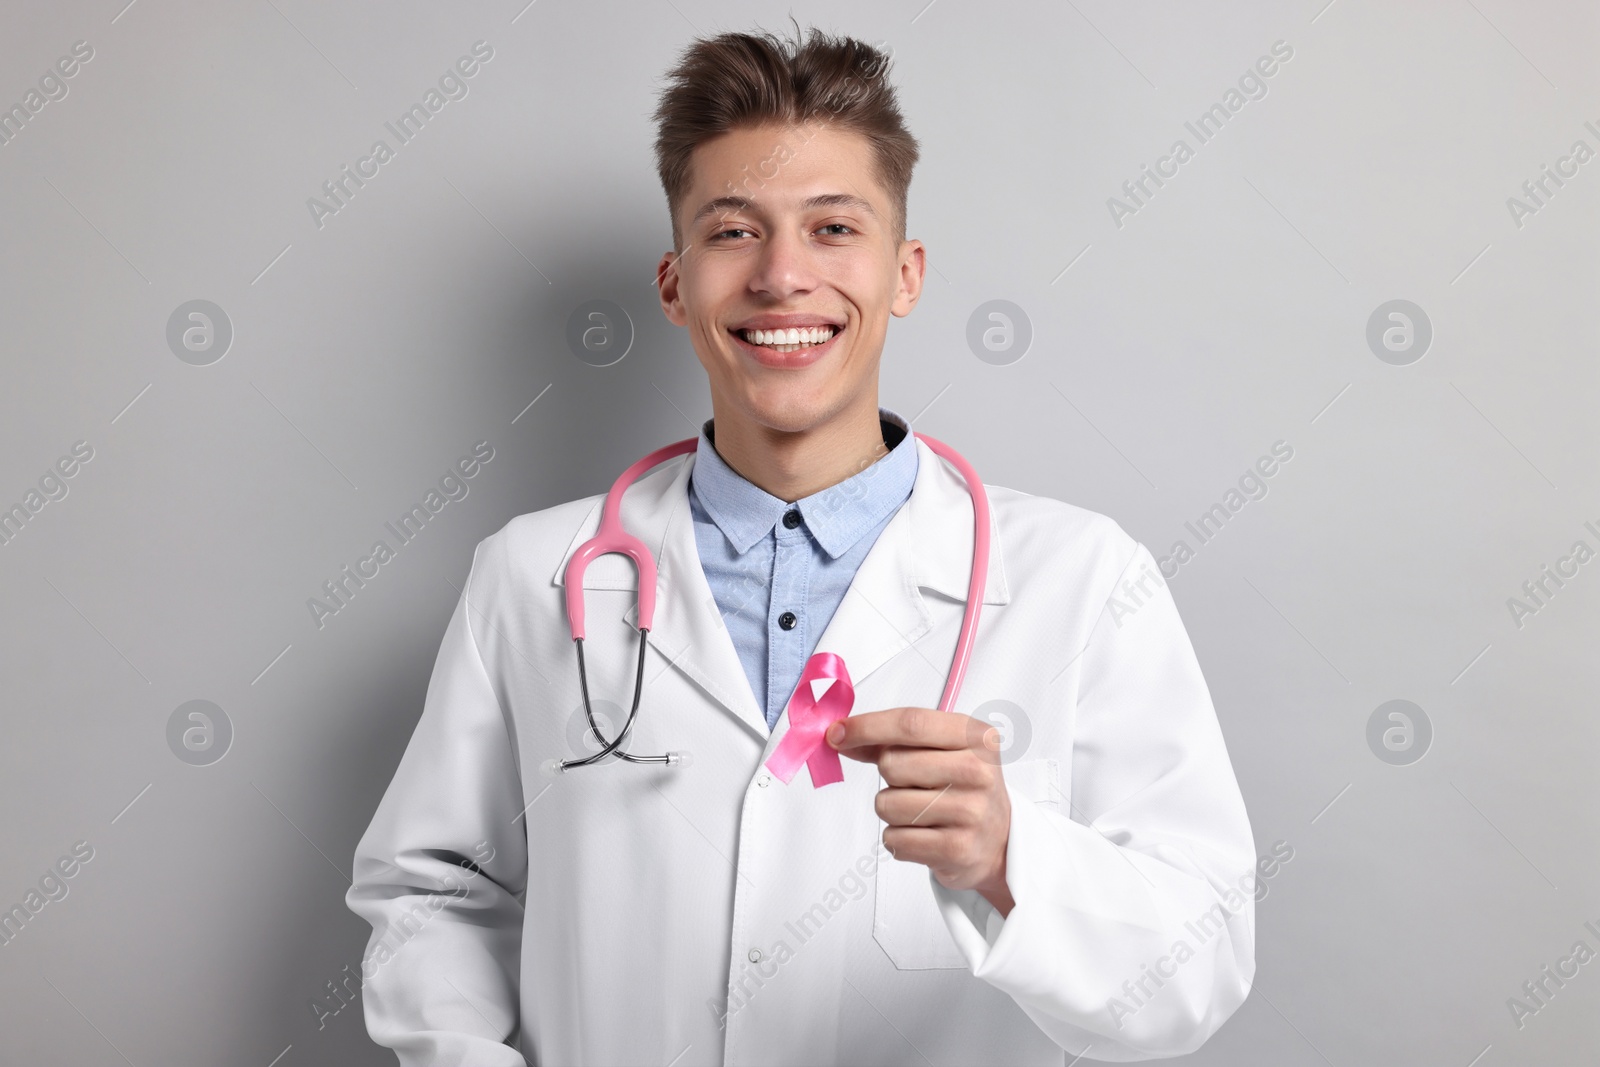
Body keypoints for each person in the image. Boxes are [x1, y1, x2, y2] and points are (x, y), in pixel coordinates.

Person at [346, 23, 1256, 1065]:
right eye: (732, 231)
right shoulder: (531, 577)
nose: (783, 276)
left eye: (833, 228)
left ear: (904, 272)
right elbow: (434, 889)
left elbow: (1199, 966)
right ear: (675, 282)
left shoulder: (1082, 582)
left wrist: (1012, 859)